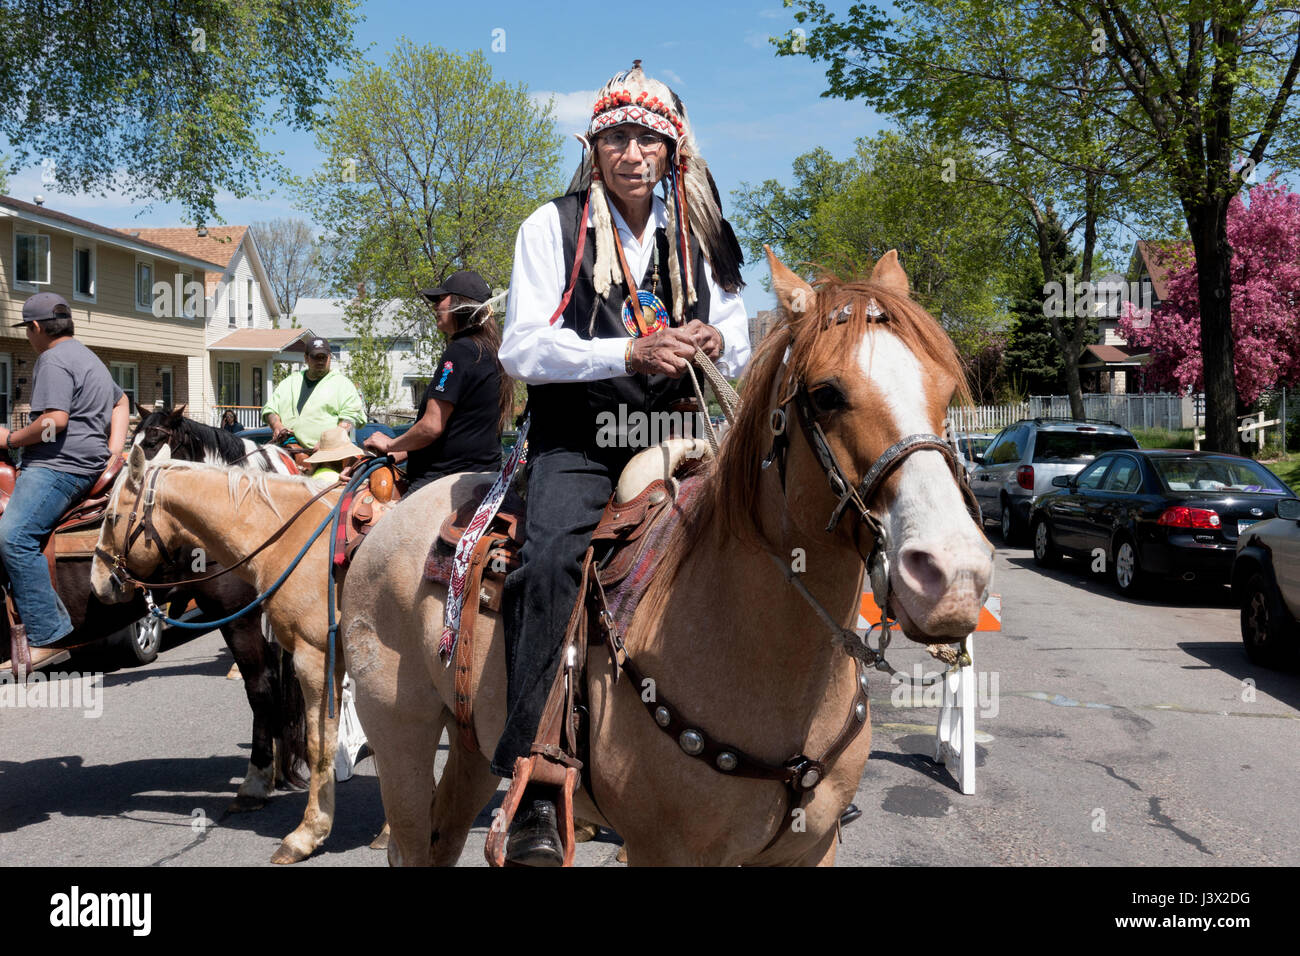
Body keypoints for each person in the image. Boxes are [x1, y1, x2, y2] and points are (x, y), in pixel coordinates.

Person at [493, 61, 751, 865]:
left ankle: (783, 754)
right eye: (616, 137)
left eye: (647, 137)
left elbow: (741, 330)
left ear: (672, 152)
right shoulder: (551, 225)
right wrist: (628, 353)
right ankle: (536, 781)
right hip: (581, 441)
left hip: (680, 434)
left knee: (769, 536)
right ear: (594, 147)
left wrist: (714, 340)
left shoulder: (701, 237)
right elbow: (522, 346)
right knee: (550, 563)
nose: (631, 151)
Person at [0, 293, 130, 672]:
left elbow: (54, 421)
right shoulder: (89, 357)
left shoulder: (52, 359)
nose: (28, 336)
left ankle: (47, 635)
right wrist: (115, 450)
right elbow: (120, 403)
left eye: (27, 329)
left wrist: (9, 440)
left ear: (36, 327)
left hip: (58, 467)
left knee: (14, 537)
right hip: (85, 464)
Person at [363, 270, 511, 493]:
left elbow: (431, 426)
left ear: (460, 304)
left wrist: (390, 443)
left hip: (442, 481)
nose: (435, 306)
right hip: (484, 478)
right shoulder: (492, 352)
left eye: (440, 299)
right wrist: (399, 452)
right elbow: (459, 430)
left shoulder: (460, 351)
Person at [261, 337, 365, 454]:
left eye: (323, 357)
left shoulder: (343, 384)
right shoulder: (289, 382)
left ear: (330, 357)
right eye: (315, 357)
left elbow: (350, 417)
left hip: (330, 455)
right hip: (287, 451)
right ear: (306, 358)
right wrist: (277, 425)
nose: (320, 361)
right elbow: (270, 409)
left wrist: (331, 439)